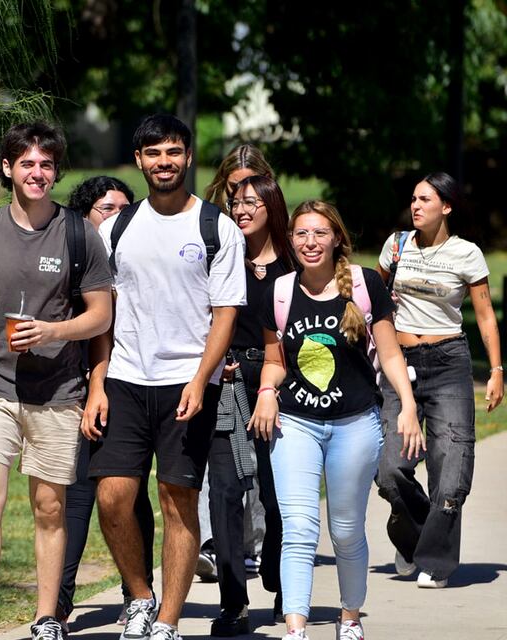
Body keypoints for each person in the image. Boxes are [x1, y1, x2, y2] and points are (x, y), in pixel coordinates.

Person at [0, 122, 114, 640]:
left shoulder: (79, 235)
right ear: (8, 168)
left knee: (49, 507)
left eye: (46, 165)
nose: (37, 173)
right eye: (28, 163)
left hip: (58, 392)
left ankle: (44, 619)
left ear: (56, 171)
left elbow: (101, 315)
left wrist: (54, 330)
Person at [82, 114, 247, 640]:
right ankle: (140, 596)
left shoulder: (216, 227)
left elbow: (225, 314)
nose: (164, 162)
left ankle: (168, 622)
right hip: (126, 379)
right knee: (112, 496)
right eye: (153, 154)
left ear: (188, 157)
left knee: (178, 501)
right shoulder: (117, 228)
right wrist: (97, 384)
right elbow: (102, 312)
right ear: (138, 161)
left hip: (187, 382)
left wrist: (202, 380)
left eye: (173, 152)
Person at [249, 200, 422, 640]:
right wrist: (267, 392)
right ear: (291, 240)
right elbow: (275, 360)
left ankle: (349, 617)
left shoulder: (364, 286)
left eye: (320, 234)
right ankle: (296, 627)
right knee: (299, 528)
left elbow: (389, 353)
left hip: (355, 424)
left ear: (336, 239)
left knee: (345, 530)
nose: (310, 243)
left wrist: (408, 406)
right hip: (295, 423)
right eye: (302, 234)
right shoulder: (281, 292)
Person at [374, 171, 504, 591]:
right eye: (413, 199)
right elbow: (373, 300)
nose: (415, 206)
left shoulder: (467, 254)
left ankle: (436, 560)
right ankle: (415, 535)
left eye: (425, 200)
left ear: (446, 207)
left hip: (448, 362)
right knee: (390, 469)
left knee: (450, 468)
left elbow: (484, 314)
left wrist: (496, 371)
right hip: (400, 362)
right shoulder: (396, 245)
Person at [57, 176, 155, 630]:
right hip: (72, 387)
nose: (116, 215)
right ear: (84, 215)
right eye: (105, 208)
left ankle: (137, 594)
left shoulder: (138, 259)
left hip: (129, 385)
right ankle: (59, 600)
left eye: (123, 208)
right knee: (75, 493)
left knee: (128, 494)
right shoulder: (68, 258)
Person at [206, 175, 296, 636]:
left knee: (278, 496)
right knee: (224, 494)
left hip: (282, 385)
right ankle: (233, 603)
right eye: (235, 203)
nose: (241, 211)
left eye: (251, 204)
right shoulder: (221, 258)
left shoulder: (295, 262)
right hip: (228, 382)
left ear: (271, 207)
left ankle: (282, 582)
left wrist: (275, 390)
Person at [196, 144, 276, 586]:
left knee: (265, 473)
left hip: (270, 370)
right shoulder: (213, 234)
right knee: (221, 470)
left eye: (250, 193)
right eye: (233, 192)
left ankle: (260, 549)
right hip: (223, 367)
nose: (240, 202)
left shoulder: (284, 253)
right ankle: (217, 548)